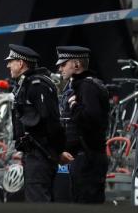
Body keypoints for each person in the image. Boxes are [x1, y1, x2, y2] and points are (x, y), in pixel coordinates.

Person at [6, 44, 65, 203]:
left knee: (38, 206)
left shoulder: (36, 85)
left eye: (11, 61)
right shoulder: (27, 83)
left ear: (20, 63)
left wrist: (58, 151)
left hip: (41, 154)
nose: (8, 65)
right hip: (35, 153)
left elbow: (51, 121)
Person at [57, 45, 110, 204]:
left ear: (76, 65)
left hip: (87, 158)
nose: (60, 68)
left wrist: (74, 106)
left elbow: (91, 119)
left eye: (63, 64)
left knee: (85, 207)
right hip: (86, 157)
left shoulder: (87, 87)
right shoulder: (86, 85)